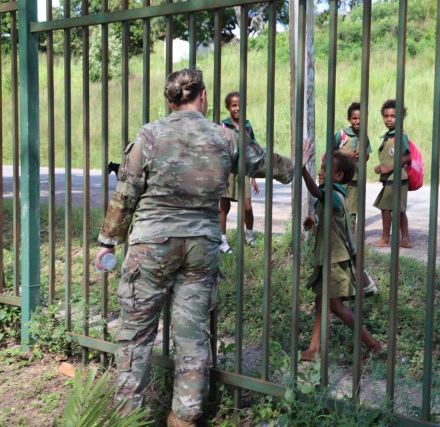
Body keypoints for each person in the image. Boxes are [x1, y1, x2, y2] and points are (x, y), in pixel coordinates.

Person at [94, 69, 293, 427]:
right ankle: (184, 417)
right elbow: (265, 163)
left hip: (150, 246)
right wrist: (297, 164)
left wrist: (107, 241)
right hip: (201, 245)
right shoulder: (224, 137)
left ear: (169, 102)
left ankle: (129, 417)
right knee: (192, 335)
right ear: (203, 97)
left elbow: (126, 193)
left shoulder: (150, 135)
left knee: (135, 335)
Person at [299, 143, 383, 362]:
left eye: (325, 169)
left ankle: (373, 344)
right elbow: (330, 221)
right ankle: (314, 348)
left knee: (335, 306)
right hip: (328, 260)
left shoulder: (333, 195)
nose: (321, 171)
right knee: (320, 303)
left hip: (335, 261)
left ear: (338, 175)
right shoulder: (333, 197)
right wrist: (313, 222)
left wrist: (302, 168)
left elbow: (316, 191)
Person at [219, 91, 260, 253]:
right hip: (227, 171)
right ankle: (222, 241)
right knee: (224, 207)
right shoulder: (223, 125)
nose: (237, 108)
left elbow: (254, 151)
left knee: (247, 207)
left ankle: (249, 236)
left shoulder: (247, 126)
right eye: (234, 105)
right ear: (228, 107)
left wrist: (254, 176)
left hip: (244, 171)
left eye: (240, 105)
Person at [371, 99, 413, 248]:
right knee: (399, 210)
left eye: (393, 116)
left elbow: (407, 157)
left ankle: (385, 239)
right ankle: (405, 240)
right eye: (386, 116)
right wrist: (381, 167)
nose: (389, 119)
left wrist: (388, 169)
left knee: (386, 209)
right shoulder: (390, 135)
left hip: (395, 178)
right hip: (392, 179)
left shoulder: (400, 135)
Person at [333, 102, 372, 236]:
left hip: (355, 179)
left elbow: (367, 155)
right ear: (349, 119)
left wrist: (364, 154)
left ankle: (350, 236)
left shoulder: (364, 137)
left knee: (353, 209)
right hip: (340, 179)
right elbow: (330, 152)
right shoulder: (342, 134)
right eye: (354, 118)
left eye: (361, 118)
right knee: (338, 205)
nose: (357, 121)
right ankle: (338, 234)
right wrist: (346, 154)